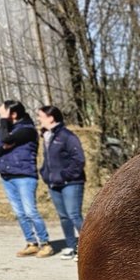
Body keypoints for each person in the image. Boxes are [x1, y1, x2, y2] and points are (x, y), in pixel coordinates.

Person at [0, 100, 52, 257]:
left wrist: (4, 123)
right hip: (7, 175)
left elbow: (6, 140)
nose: (1, 117)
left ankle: (45, 243)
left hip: (24, 176)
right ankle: (31, 242)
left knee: (30, 211)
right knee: (19, 213)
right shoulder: (6, 129)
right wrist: (3, 145)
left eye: (4, 114)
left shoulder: (27, 129)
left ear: (13, 114)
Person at [37, 105, 86, 260]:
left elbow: (78, 160)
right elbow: (48, 161)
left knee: (74, 215)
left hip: (71, 183)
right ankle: (71, 247)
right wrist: (45, 173)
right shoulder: (46, 136)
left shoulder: (67, 136)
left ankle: (89, 249)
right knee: (63, 216)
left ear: (51, 118)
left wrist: (65, 175)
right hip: (54, 184)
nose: (38, 119)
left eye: (41, 116)